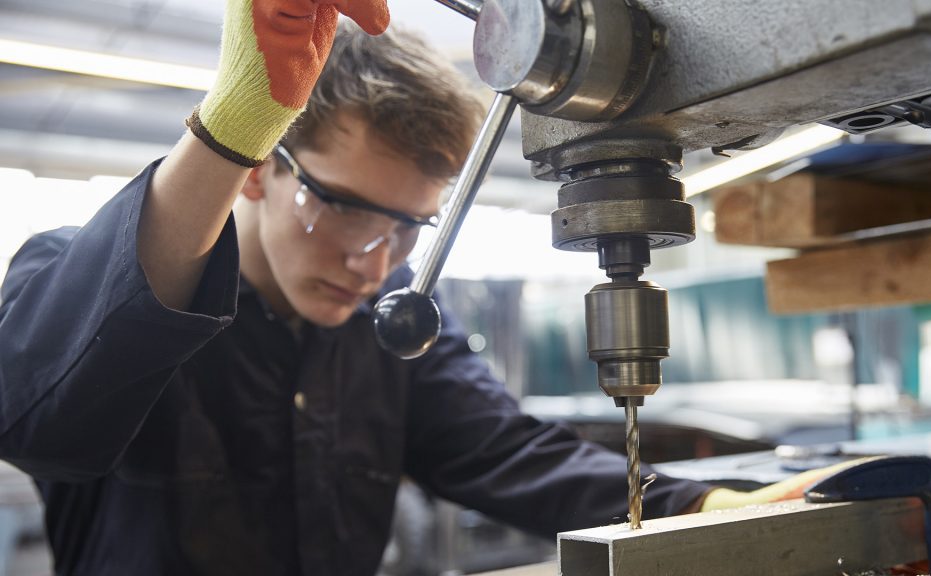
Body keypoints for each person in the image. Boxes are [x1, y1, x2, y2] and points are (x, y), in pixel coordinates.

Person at [0, 2, 846, 574]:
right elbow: (39, 421)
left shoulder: (387, 322)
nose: (378, 260)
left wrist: (702, 505)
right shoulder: (79, 275)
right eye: (343, 208)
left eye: (410, 227)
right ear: (258, 169)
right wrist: (232, 123)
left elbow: (506, 453)